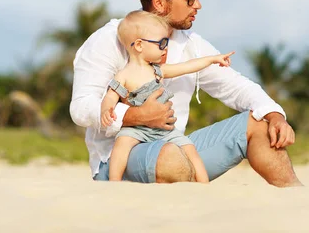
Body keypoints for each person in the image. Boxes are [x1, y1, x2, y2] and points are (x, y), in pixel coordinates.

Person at [70, 0, 302, 186]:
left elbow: (236, 86)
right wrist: (135, 115)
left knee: (261, 122)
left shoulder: (193, 45)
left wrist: (275, 116)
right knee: (170, 156)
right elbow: (81, 108)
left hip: (174, 145)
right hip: (118, 156)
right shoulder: (109, 40)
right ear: (159, 2)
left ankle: (295, 200)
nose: (198, 5)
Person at [100, 10, 234, 182]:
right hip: (135, 129)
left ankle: (203, 184)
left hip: (165, 129)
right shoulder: (123, 75)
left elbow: (187, 66)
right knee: (121, 145)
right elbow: (111, 96)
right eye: (161, 43)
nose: (165, 49)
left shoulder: (158, 71)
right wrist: (106, 109)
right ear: (139, 45)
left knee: (189, 148)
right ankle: (114, 182)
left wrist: (212, 59)